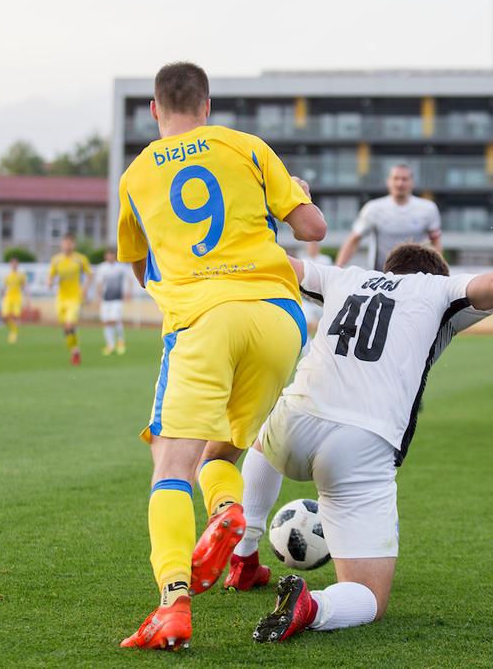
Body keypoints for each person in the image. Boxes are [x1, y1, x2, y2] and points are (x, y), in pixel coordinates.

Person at [222, 243, 493, 643]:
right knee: (368, 596)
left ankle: (243, 554)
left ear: (388, 270)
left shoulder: (343, 278)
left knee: (262, 438)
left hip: (294, 420)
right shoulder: (440, 290)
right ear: (436, 273)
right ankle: (311, 608)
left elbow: (269, 258)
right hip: (361, 442)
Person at [115, 61, 327, 651]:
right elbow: (312, 228)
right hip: (279, 318)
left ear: (155, 111)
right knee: (225, 448)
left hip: (204, 320)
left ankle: (172, 604)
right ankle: (230, 509)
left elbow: (140, 268)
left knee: (170, 464)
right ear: (207, 106)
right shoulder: (248, 146)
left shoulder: (136, 176)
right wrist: (301, 198)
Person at [334, 164, 442, 270]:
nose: (400, 183)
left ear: (412, 182)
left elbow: (436, 242)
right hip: (381, 276)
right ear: (388, 181)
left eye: (404, 179)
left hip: (416, 275)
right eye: (396, 178)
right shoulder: (373, 208)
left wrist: (439, 272)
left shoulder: (428, 208)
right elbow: (354, 239)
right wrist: (338, 269)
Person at [47, 233, 93, 365]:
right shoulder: (56, 260)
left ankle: (74, 352)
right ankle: (75, 350)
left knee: (69, 324)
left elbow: (90, 275)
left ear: (74, 244)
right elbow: (50, 276)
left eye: (70, 243)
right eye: (65, 243)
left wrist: (85, 289)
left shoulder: (80, 259)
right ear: (61, 244)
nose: (67, 245)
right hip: (61, 298)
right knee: (66, 328)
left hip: (74, 297)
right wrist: (49, 282)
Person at [95, 249, 132, 356]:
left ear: (115, 256)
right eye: (108, 254)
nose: (110, 257)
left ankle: (120, 341)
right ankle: (110, 345)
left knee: (115, 320)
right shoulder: (102, 268)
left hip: (117, 299)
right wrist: (98, 298)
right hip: (105, 299)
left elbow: (129, 279)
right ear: (106, 256)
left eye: (112, 254)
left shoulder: (120, 267)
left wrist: (128, 293)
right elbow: (99, 284)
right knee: (106, 321)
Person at [301, 241, 332, 336]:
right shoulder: (303, 261)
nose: (312, 247)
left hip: (323, 301)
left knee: (326, 327)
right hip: (308, 301)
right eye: (310, 245)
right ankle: (307, 349)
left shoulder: (325, 260)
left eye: (314, 245)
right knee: (306, 325)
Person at [0, 257, 28, 344]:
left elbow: (24, 287)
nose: (14, 265)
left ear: (18, 265)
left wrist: (28, 299)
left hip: (17, 298)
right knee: (5, 317)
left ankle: (13, 333)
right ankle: (13, 330)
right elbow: (4, 287)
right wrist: (1, 293)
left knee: (15, 317)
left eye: (16, 263)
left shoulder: (21, 276)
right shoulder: (7, 276)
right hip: (8, 297)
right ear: (10, 265)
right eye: (12, 263)